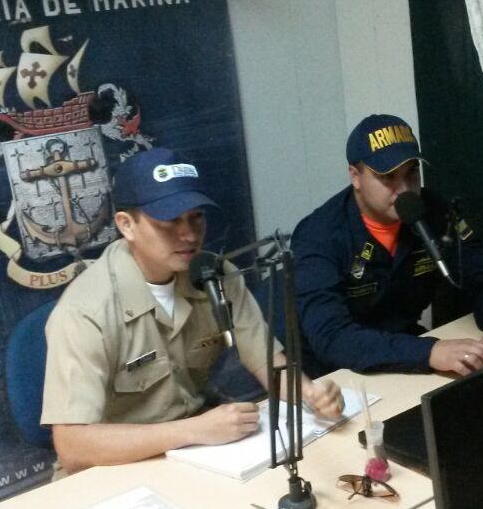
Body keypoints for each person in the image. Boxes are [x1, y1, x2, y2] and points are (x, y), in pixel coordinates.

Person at [41, 148, 343, 474]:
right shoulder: (85, 311)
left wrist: (311, 394)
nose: (188, 235)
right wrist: (193, 430)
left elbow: (268, 363)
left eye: (196, 217)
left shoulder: (214, 276)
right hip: (114, 468)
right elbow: (72, 446)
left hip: (196, 455)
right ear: (127, 225)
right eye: (170, 221)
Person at [289, 114, 483, 378]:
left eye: (411, 172)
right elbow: (331, 337)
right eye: (388, 177)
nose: (404, 189)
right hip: (315, 370)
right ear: (355, 176)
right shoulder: (319, 235)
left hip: (396, 347)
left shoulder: (432, 211)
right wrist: (428, 352)